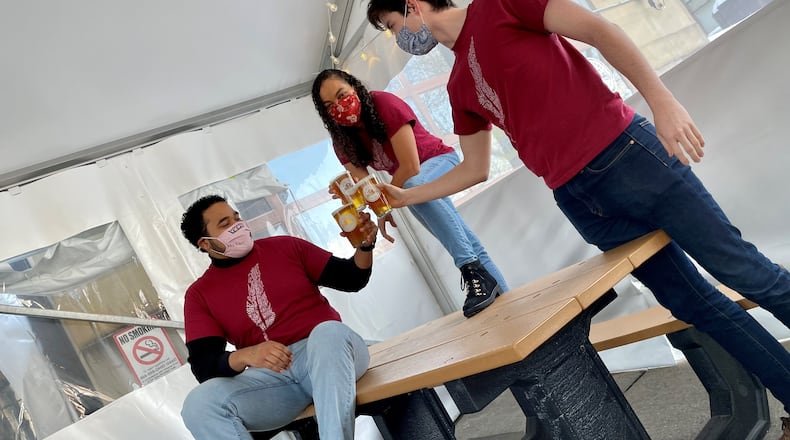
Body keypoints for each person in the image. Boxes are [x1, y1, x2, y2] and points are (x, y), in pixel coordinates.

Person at [366, 0, 790, 435]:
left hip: (627, 155)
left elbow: (598, 30)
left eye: (392, 26)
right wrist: (405, 197)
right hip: (579, 199)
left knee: (745, 271)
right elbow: (475, 168)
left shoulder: (500, 6)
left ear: (412, 6)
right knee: (694, 304)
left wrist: (661, 101)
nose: (398, 39)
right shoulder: (458, 86)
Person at [311, 68, 508, 318]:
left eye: (342, 95)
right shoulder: (342, 141)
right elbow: (367, 189)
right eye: (330, 105)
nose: (339, 106)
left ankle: (469, 268)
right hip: (409, 186)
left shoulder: (383, 103)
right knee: (469, 243)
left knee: (413, 185)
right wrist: (350, 196)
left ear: (355, 88)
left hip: (439, 162)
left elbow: (411, 166)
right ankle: (502, 299)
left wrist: (389, 202)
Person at [178, 195, 377, 440]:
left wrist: (364, 246)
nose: (237, 226)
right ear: (205, 244)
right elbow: (204, 366)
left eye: (236, 218)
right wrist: (248, 355)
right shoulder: (200, 294)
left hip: (331, 355)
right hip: (273, 380)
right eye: (225, 224)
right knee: (198, 405)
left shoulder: (285, 247)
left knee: (328, 332)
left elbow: (352, 278)